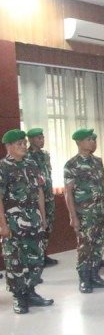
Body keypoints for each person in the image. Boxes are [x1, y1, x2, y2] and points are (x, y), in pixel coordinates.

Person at [0, 129, 52, 314]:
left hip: (34, 221)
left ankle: (30, 292)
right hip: (13, 223)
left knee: (35, 258)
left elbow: (39, 192)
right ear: (8, 146)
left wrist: (43, 217)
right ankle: (19, 297)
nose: (24, 146)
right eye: (19, 144)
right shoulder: (3, 167)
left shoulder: (31, 164)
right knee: (16, 261)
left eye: (24, 143)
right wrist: (3, 225)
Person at [63, 128, 104, 293]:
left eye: (94, 139)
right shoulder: (72, 164)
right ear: (79, 142)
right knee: (85, 246)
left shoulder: (98, 161)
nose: (93, 142)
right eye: (89, 139)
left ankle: (95, 275)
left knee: (98, 244)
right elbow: (68, 192)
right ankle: (84, 279)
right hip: (84, 214)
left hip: (99, 211)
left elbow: (101, 186)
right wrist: (73, 216)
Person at [25, 128, 57, 267]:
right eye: (39, 138)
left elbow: (47, 174)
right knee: (36, 226)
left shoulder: (45, 155)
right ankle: (35, 256)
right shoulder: (26, 156)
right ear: (31, 140)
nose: (42, 140)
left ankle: (43, 253)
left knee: (48, 225)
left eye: (42, 137)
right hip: (35, 197)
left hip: (48, 195)